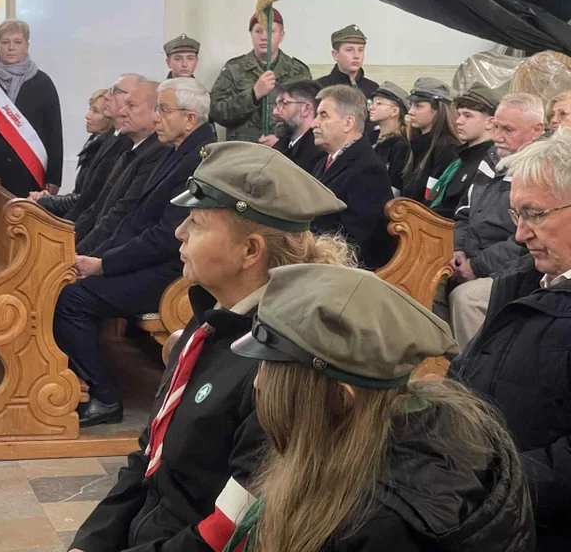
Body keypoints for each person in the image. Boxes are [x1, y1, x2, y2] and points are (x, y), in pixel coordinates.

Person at [68, 142, 350, 552]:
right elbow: (150, 456)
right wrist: (91, 541)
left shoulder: (281, 365)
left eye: (197, 223)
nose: (179, 232)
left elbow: (232, 527)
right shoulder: (211, 320)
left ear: (249, 250)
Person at [227, 265, 533, 552]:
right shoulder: (443, 427)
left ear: (341, 398)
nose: (258, 383)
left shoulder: (369, 523)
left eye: (271, 370)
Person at [53, 81, 217, 426]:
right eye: (156, 109)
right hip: (150, 261)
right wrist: (96, 259)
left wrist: (105, 264)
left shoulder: (198, 160)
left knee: (71, 300)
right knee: (64, 286)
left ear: (190, 119)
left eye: (163, 110)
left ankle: (104, 397)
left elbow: (166, 237)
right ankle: (72, 380)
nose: (156, 118)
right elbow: (133, 219)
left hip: (172, 273)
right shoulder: (176, 150)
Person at [451, 128, 571, 550]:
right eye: (516, 214)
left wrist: (488, 484)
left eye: (534, 214)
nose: (520, 234)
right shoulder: (523, 281)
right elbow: (465, 375)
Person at [449, 93, 546, 346]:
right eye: (496, 127)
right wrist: (458, 250)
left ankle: (475, 367)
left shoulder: (541, 171)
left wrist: (476, 266)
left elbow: (527, 241)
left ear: (537, 130)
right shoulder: (492, 157)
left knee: (466, 299)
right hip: (471, 257)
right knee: (422, 284)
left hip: (519, 270)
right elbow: (464, 212)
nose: (497, 137)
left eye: (508, 130)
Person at [33, 73, 144, 220]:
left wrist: (46, 202)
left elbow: (95, 201)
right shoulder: (107, 140)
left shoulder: (126, 142)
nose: (108, 96)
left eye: (116, 91)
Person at [75, 81, 167, 254]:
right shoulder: (131, 149)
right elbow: (96, 208)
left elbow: (121, 216)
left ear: (156, 112)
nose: (122, 112)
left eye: (131, 106)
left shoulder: (157, 153)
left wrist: (79, 254)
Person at [0, 19, 63, 197]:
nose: (11, 48)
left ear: (26, 46)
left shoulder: (43, 83)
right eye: (5, 42)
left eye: (17, 42)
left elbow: (54, 132)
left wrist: (54, 177)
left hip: (30, 172)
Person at [311, 85, 394, 269]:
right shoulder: (324, 162)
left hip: (347, 272)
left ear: (348, 123)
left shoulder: (368, 170)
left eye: (323, 115)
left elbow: (355, 242)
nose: (314, 123)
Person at [210, 8, 311, 142]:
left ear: (281, 35)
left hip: (285, 151)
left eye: (270, 31)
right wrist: (253, 95)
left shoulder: (298, 71)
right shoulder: (234, 68)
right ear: (251, 35)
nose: (264, 37)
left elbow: (308, 117)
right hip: (243, 149)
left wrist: (282, 141)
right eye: (258, 31)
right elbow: (217, 112)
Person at [429, 82, 499, 219]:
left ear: (490, 122)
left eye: (467, 116)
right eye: (459, 115)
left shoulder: (490, 163)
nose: (458, 121)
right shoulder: (463, 158)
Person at [403, 77, 460, 204]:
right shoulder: (416, 144)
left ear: (439, 110)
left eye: (419, 106)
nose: (411, 112)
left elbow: (435, 199)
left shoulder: (447, 147)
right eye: (411, 105)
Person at [261, 80, 325, 172]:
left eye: (284, 103)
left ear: (306, 109)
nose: (275, 112)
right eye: (277, 105)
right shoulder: (283, 147)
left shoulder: (318, 155)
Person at [369, 82, 411, 197]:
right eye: (372, 103)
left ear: (395, 111)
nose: (372, 107)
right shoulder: (371, 137)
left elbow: (395, 187)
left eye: (379, 103)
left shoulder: (400, 145)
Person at [314, 24, 379, 98]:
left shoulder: (373, 89)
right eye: (349, 50)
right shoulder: (319, 87)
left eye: (360, 50)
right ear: (335, 55)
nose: (356, 56)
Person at [73, 89, 113, 197]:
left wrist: (48, 200)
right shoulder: (92, 143)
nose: (88, 115)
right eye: (90, 109)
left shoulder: (110, 152)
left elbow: (87, 198)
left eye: (95, 111)